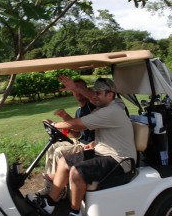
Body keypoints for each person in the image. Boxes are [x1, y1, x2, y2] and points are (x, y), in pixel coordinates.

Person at [27, 77, 136, 216]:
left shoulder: (111, 110)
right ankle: (50, 203)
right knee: (64, 161)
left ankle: (75, 212)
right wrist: (75, 88)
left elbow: (78, 124)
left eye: (98, 93)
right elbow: (91, 102)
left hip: (120, 160)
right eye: (94, 93)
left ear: (110, 95)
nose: (94, 96)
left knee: (76, 172)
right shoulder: (106, 106)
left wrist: (55, 125)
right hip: (103, 152)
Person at [37, 78, 96, 199]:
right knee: (53, 146)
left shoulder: (92, 106)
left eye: (79, 88)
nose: (77, 92)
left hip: (90, 145)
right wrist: (64, 118)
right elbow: (77, 134)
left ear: (86, 89)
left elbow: (79, 124)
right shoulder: (79, 111)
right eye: (74, 89)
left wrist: (60, 123)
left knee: (60, 151)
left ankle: (59, 190)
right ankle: (50, 185)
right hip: (80, 141)